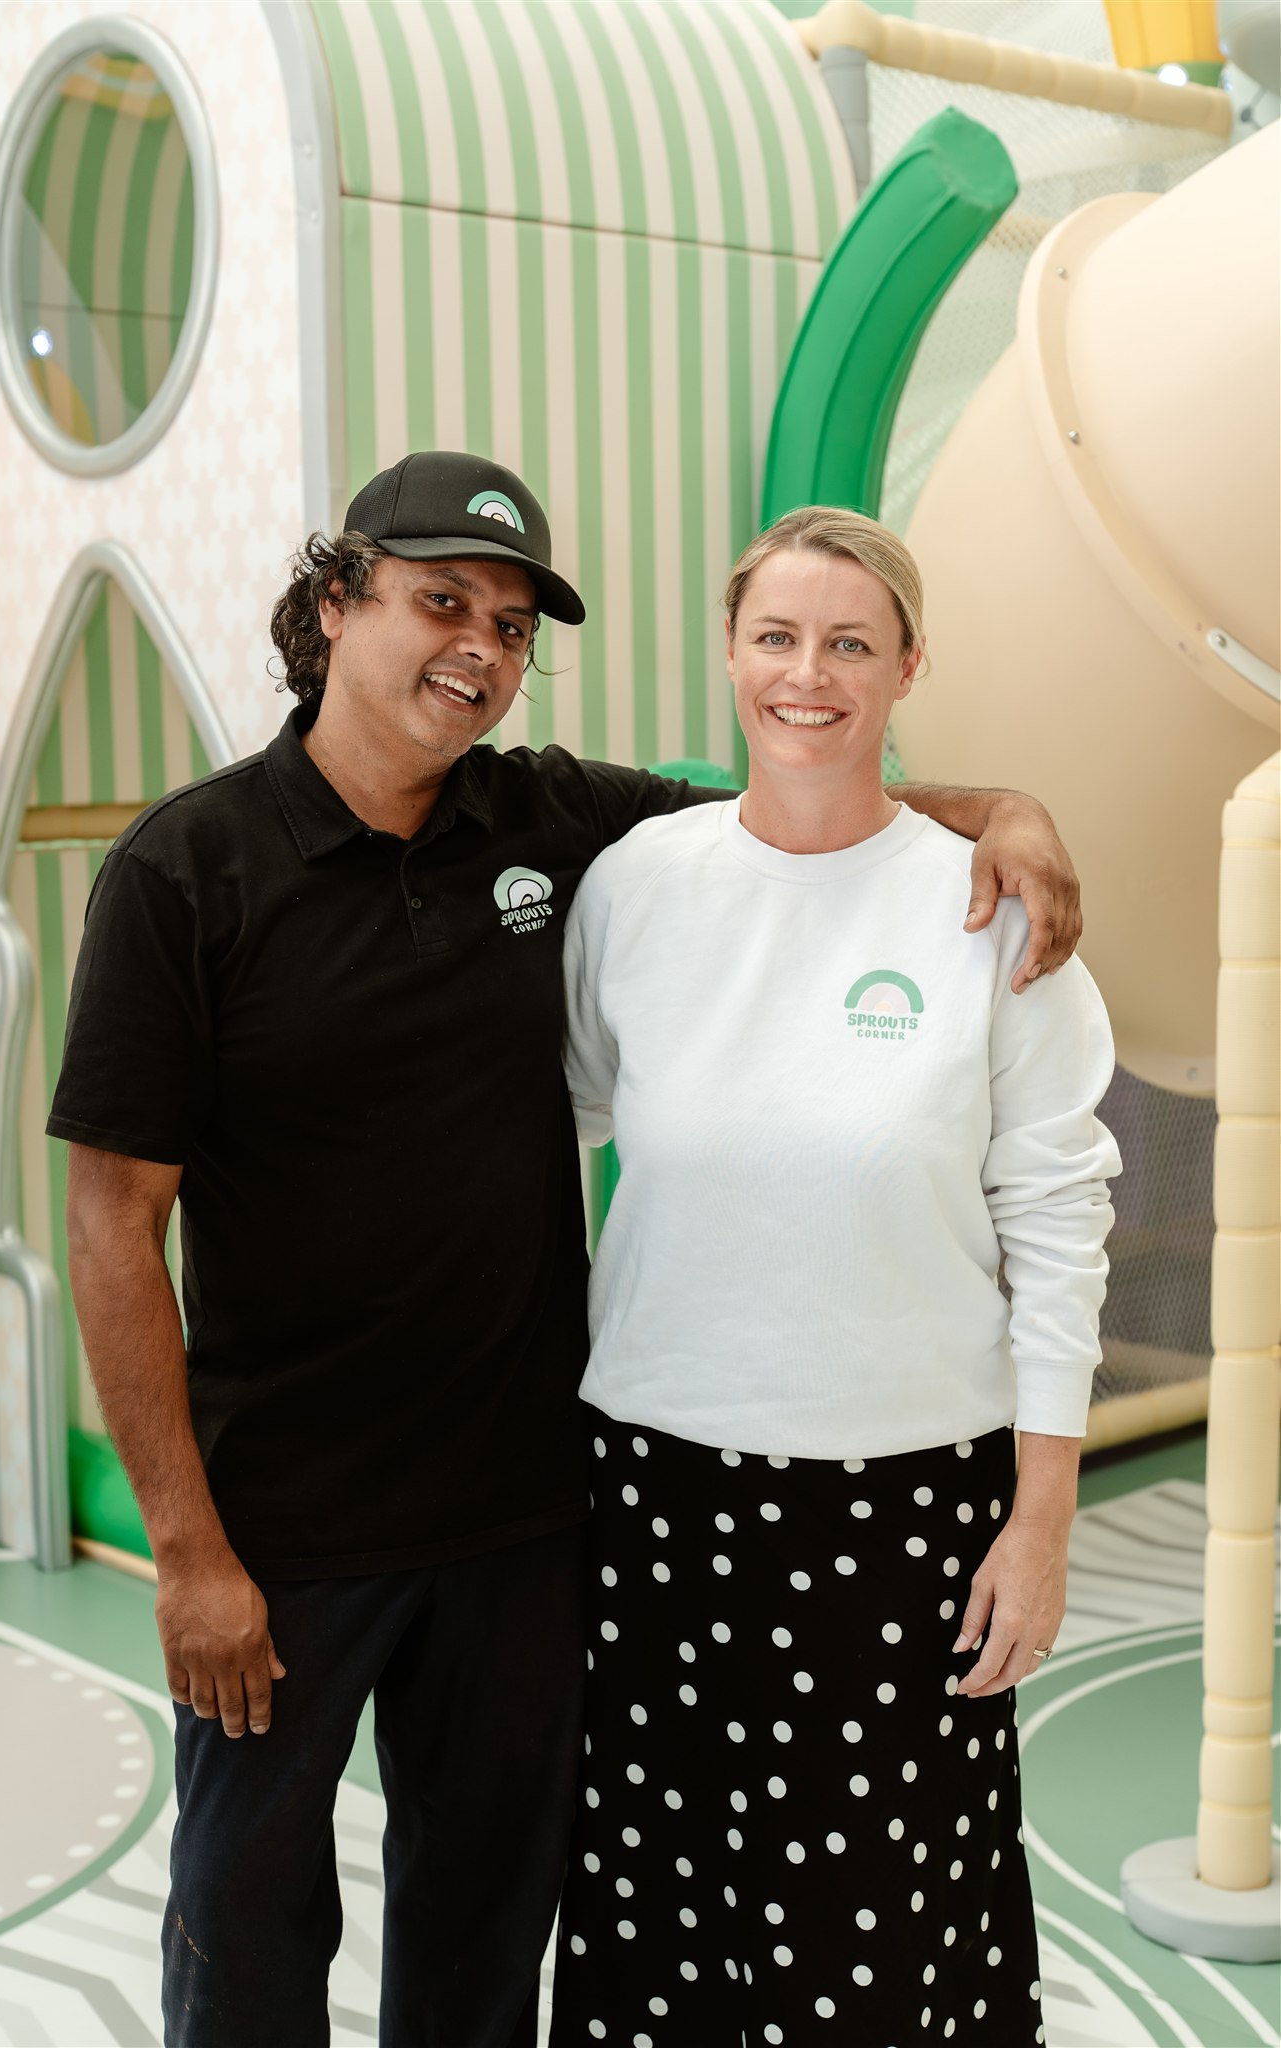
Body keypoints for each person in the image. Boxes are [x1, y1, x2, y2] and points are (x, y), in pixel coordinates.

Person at [50, 454, 1085, 2048]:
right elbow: (112, 1224)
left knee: (483, 1920)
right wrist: (188, 1556)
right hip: (284, 1526)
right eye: (438, 601)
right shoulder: (184, 873)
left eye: (513, 622)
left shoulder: (553, 822)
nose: (477, 644)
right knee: (248, 1925)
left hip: (527, 1517)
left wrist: (1006, 810)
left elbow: (802, 804)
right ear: (335, 604)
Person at [550, 506, 1120, 2046]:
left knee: (865, 1937)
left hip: (904, 1503)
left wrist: (1043, 1517)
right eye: (777, 637)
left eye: (850, 643)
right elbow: (563, 1117)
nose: (809, 675)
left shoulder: (990, 910)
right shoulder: (636, 887)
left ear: (907, 667)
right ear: (730, 655)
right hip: (653, 1484)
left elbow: (1059, 1214)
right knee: (657, 1914)